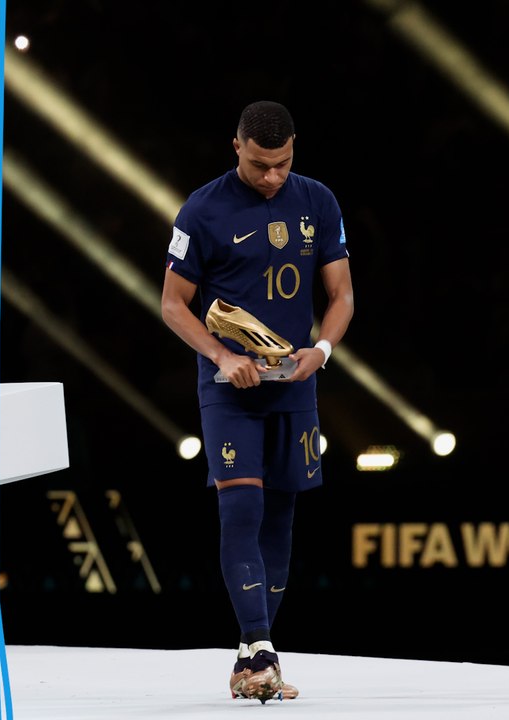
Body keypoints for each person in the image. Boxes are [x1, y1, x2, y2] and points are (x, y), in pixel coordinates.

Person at [159, 100, 353, 702]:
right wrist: (222, 357)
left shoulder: (317, 200)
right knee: (241, 510)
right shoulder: (202, 208)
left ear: (295, 148)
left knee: (282, 521)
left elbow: (342, 294)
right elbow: (172, 304)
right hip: (229, 391)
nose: (273, 176)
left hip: (295, 386)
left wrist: (321, 349)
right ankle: (261, 648)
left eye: (283, 163)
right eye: (261, 164)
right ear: (236, 146)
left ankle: (250, 661)